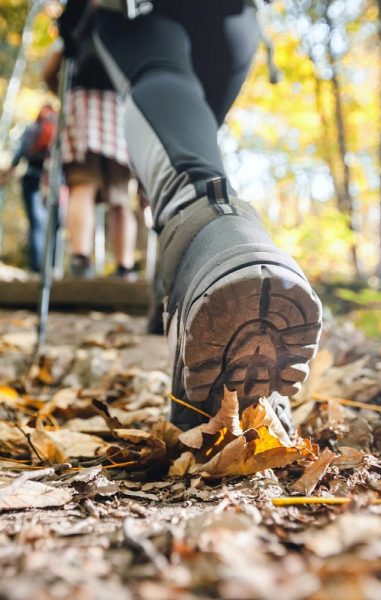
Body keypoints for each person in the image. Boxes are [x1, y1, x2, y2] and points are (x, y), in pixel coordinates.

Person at [59, 0, 323, 433]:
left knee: (163, 83)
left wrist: (71, 24)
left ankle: (208, 236)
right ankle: (189, 271)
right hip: (234, 22)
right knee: (188, 131)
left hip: (137, 14)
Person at [43, 34, 137, 279]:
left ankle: (80, 259)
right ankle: (124, 267)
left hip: (82, 107)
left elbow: (49, 71)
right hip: (121, 111)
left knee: (82, 186)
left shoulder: (78, 25)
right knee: (120, 198)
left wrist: (65, 93)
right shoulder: (128, 27)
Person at [0, 105, 56, 273]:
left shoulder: (31, 129)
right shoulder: (60, 130)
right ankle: (52, 266)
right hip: (54, 182)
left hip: (32, 178)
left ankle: (37, 267)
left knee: (37, 223)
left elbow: (19, 155)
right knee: (53, 225)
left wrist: (3, 177)